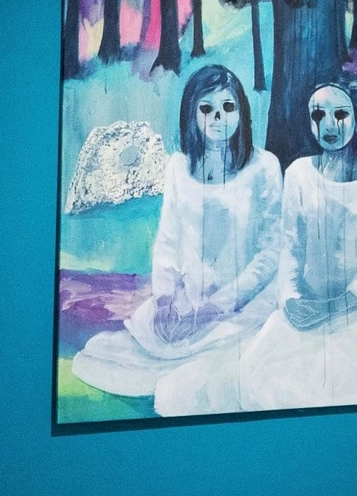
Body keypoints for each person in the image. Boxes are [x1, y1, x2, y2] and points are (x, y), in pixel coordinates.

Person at [71, 65, 284, 415]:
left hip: (247, 297)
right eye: (207, 109)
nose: (218, 118)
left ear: (242, 111)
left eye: (228, 107)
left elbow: (270, 253)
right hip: (192, 293)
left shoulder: (264, 167)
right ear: (191, 114)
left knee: (211, 364)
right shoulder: (178, 167)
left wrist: (219, 305)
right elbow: (168, 243)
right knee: (117, 355)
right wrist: (166, 299)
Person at [237, 73, 357, 408]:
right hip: (310, 298)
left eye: (341, 114)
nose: (329, 125)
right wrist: (291, 299)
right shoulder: (299, 174)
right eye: (319, 115)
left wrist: (335, 307)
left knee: (356, 381)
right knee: (266, 374)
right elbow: (291, 246)